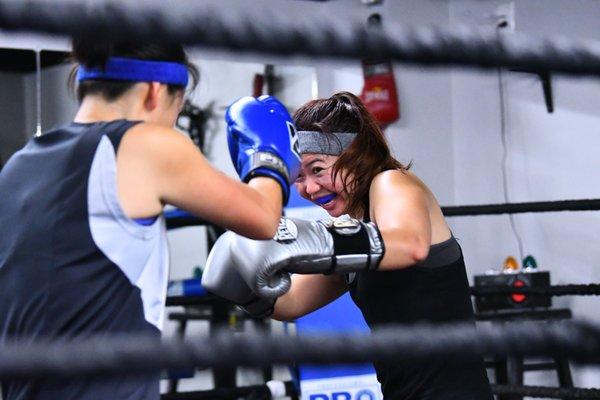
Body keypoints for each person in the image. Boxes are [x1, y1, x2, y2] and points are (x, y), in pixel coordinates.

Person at [0, 38, 300, 400]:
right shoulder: (143, 143)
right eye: (177, 109)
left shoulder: (20, 165)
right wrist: (269, 155)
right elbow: (263, 217)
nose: (171, 127)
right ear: (154, 93)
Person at [203, 92, 493, 399]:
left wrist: (309, 239)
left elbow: (410, 244)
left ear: (357, 153)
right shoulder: (355, 239)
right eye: (298, 177)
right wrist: (244, 287)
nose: (310, 189)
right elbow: (290, 303)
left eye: (317, 169)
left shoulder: (392, 182)